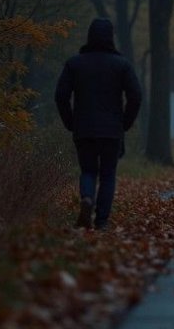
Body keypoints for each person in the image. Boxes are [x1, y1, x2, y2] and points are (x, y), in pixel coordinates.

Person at [55, 18, 142, 230]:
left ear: (89, 36)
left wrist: (70, 122)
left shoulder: (74, 64)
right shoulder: (121, 65)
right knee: (108, 175)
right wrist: (125, 123)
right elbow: (136, 96)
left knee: (88, 171)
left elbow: (60, 96)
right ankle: (101, 221)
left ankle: (87, 198)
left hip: (84, 129)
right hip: (112, 130)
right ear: (111, 37)